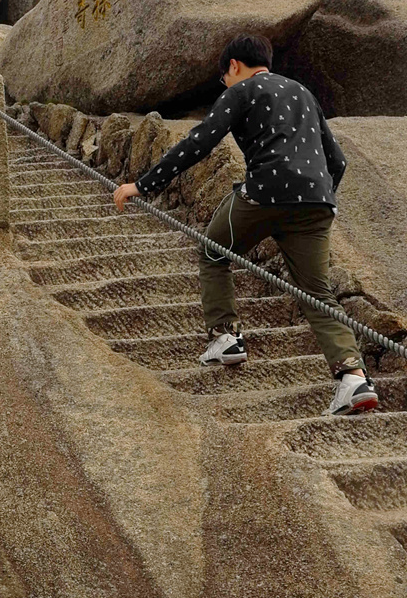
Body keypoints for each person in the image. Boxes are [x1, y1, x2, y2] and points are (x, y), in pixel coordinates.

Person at [113, 34, 378, 416]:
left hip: (264, 193)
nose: (226, 84)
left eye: (224, 77)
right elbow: (337, 160)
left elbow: (200, 142)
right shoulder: (303, 93)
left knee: (213, 250)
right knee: (317, 292)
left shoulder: (242, 91)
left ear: (234, 66)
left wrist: (143, 185)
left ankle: (226, 337)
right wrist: (315, 196)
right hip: (316, 202)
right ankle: (353, 379)